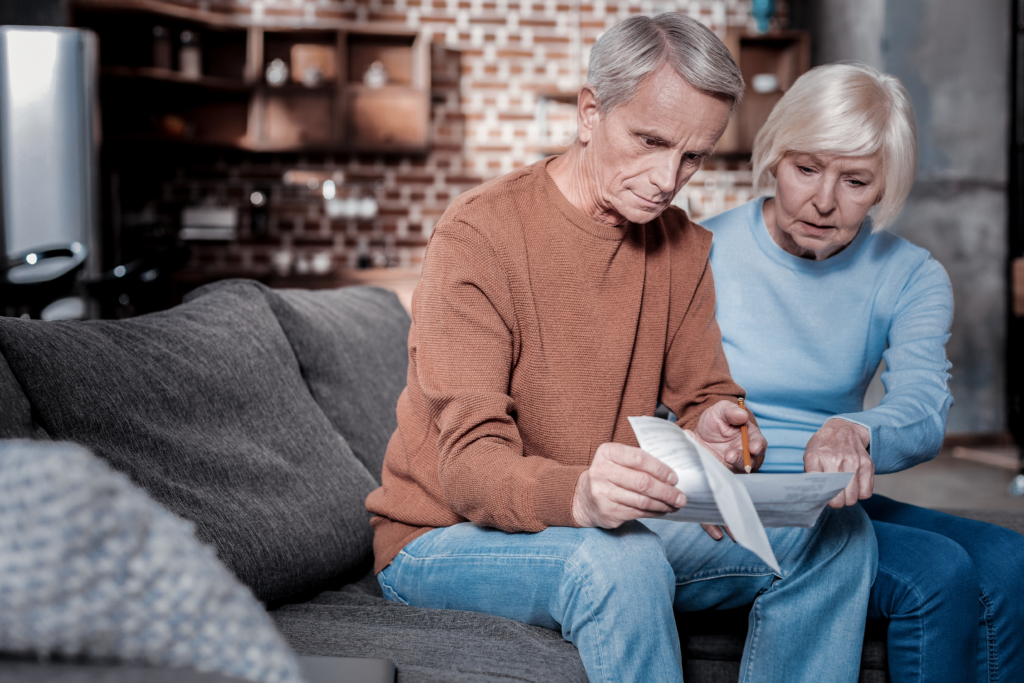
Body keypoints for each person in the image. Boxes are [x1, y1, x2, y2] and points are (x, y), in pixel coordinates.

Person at [366, 15, 877, 683]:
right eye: (650, 140)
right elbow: (468, 467)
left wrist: (727, 432)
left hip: (604, 519)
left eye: (692, 156)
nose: (668, 178)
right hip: (439, 537)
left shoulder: (682, 246)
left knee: (837, 536)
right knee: (620, 560)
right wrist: (579, 494)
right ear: (589, 112)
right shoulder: (480, 234)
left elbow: (709, 398)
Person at [703, 62, 1024, 683]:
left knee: (1010, 558)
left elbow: (926, 406)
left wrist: (855, 428)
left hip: (837, 498)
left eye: (855, 180)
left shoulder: (909, 273)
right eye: (806, 169)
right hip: (740, 499)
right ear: (773, 157)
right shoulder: (702, 252)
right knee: (936, 571)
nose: (824, 201)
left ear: (883, 188)